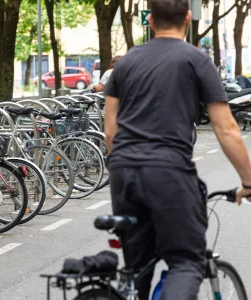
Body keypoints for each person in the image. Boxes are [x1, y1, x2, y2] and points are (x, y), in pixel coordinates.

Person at [104, 0, 251, 299]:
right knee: (186, 261)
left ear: (151, 21)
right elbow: (226, 128)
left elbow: (110, 130)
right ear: (187, 18)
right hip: (168, 173)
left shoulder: (127, 62)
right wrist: (248, 181)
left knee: (137, 269)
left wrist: (124, 168)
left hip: (123, 174)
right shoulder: (195, 60)